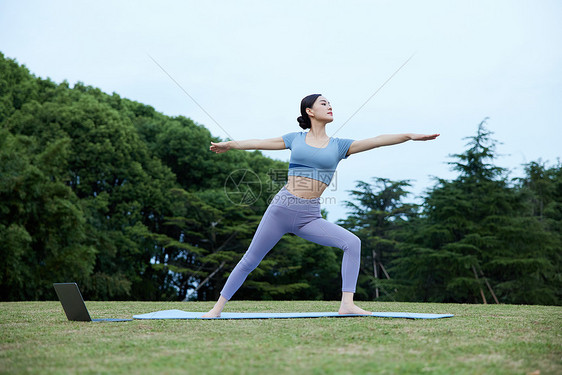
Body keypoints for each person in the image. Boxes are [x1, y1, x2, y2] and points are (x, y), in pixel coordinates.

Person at [203, 94, 439, 318]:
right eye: (323, 103)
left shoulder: (339, 146)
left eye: (330, 103)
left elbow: (376, 141)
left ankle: (347, 305)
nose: (329, 106)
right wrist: (230, 145)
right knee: (251, 260)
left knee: (352, 243)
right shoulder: (295, 139)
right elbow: (259, 142)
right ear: (310, 111)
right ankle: (217, 309)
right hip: (282, 209)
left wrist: (408, 135)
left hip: (310, 216)